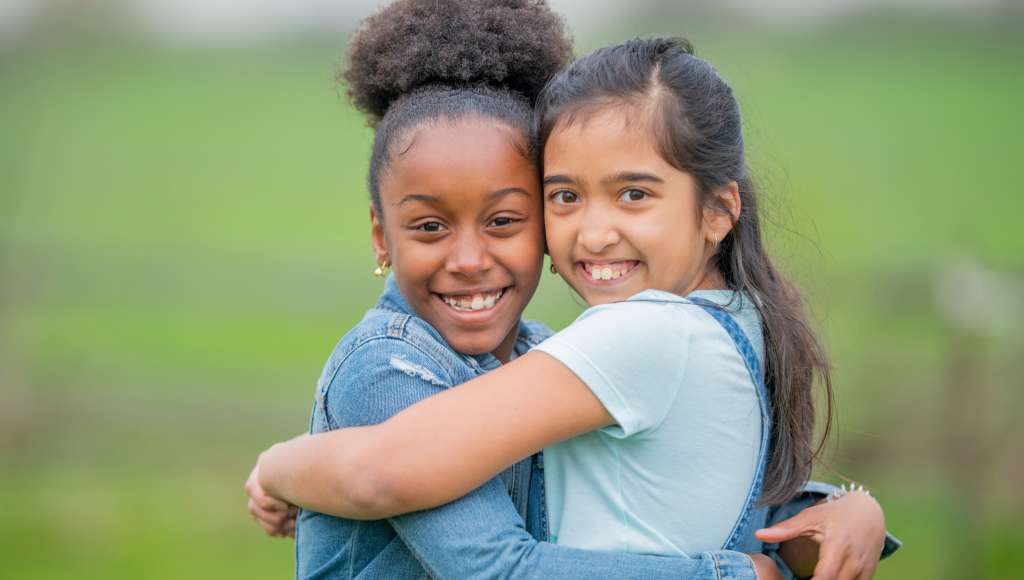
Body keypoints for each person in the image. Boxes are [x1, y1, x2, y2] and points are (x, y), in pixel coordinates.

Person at [247, 2, 899, 579]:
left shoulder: (626, 337)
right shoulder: (390, 368)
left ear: (718, 211)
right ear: (380, 235)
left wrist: (279, 464)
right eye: (567, 196)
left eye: (634, 194)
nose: (593, 232)